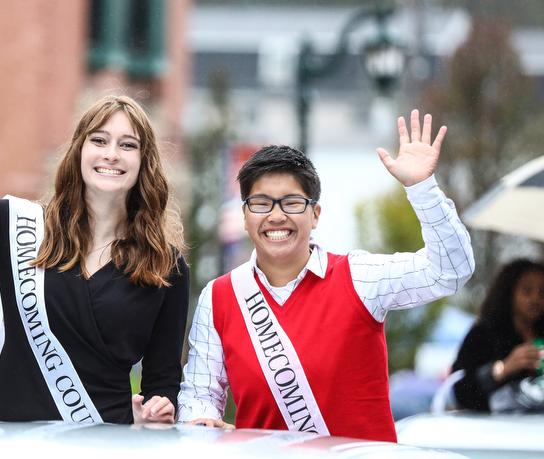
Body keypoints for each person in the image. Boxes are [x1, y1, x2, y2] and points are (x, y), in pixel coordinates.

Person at [0, 65, 189, 424]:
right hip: (11, 438)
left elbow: (163, 380)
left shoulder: (165, 264)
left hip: (101, 441)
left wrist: (156, 411)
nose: (111, 154)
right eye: (99, 140)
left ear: (143, 163)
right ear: (78, 152)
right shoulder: (15, 226)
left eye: (127, 145)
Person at [177, 111, 475, 442]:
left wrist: (422, 188)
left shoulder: (359, 278)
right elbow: (199, 394)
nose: (276, 216)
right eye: (261, 203)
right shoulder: (219, 297)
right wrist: (201, 421)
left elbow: (450, 271)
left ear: (315, 214)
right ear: (245, 216)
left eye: (291, 203)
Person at [452, 259, 544, 411]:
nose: (535, 299)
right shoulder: (482, 335)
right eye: (527, 290)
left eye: (543, 292)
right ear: (508, 292)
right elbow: (461, 391)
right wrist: (503, 368)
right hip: (495, 431)